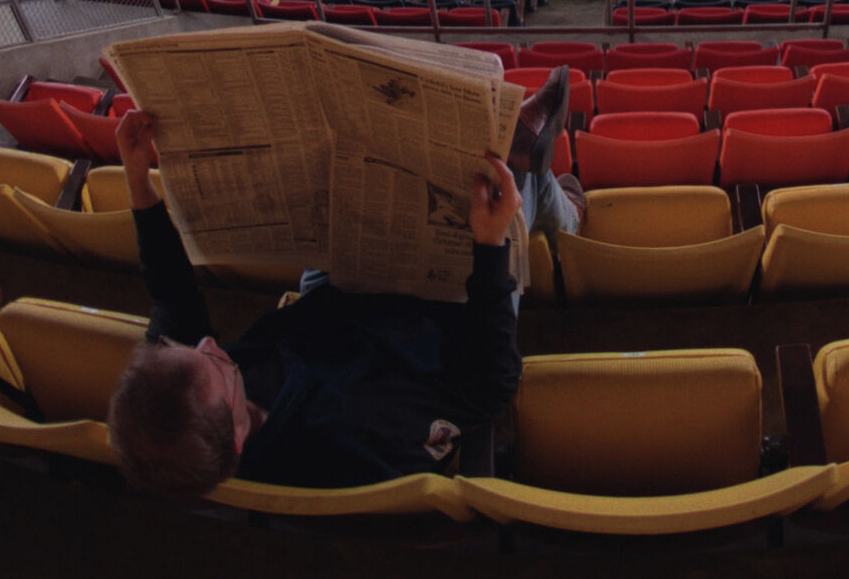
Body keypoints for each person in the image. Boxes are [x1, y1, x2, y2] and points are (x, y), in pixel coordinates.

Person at [103, 82, 579, 500]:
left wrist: (137, 180)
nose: (210, 344)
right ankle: (569, 211)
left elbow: (172, 300)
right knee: (512, 177)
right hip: (440, 322)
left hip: (336, 306)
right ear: (237, 441)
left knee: (346, 163)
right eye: (215, 365)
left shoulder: (178, 404)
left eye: (183, 349)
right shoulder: (356, 428)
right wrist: (490, 246)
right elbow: (487, 388)